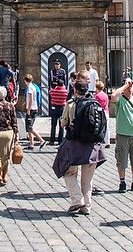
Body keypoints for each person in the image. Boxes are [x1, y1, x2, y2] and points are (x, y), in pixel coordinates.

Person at [52, 80, 107, 216]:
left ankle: (77, 199)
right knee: (87, 180)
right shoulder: (95, 103)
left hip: (75, 144)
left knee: (68, 172)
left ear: (75, 90)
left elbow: (63, 123)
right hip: (93, 146)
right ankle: (87, 207)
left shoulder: (71, 104)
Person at [110, 78, 133, 193]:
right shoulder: (120, 100)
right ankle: (122, 182)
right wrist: (125, 86)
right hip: (122, 135)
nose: (130, 87)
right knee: (122, 160)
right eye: (128, 86)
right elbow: (113, 96)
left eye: (132, 86)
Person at [23, 74, 46, 150]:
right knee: (28, 127)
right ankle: (31, 143)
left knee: (30, 127)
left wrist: (28, 109)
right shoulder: (33, 86)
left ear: (26, 81)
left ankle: (41, 140)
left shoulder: (29, 88)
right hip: (34, 107)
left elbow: (31, 99)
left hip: (31, 109)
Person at [48, 78, 68, 145]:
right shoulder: (65, 92)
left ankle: (52, 140)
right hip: (62, 108)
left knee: (53, 125)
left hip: (54, 108)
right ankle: (60, 140)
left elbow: (50, 92)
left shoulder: (53, 91)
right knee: (61, 125)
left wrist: (56, 87)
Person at [93, 80, 110, 148]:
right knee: (107, 127)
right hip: (106, 112)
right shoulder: (105, 95)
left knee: (99, 127)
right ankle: (107, 142)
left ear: (97, 88)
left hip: (100, 112)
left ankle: (98, 140)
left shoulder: (96, 96)